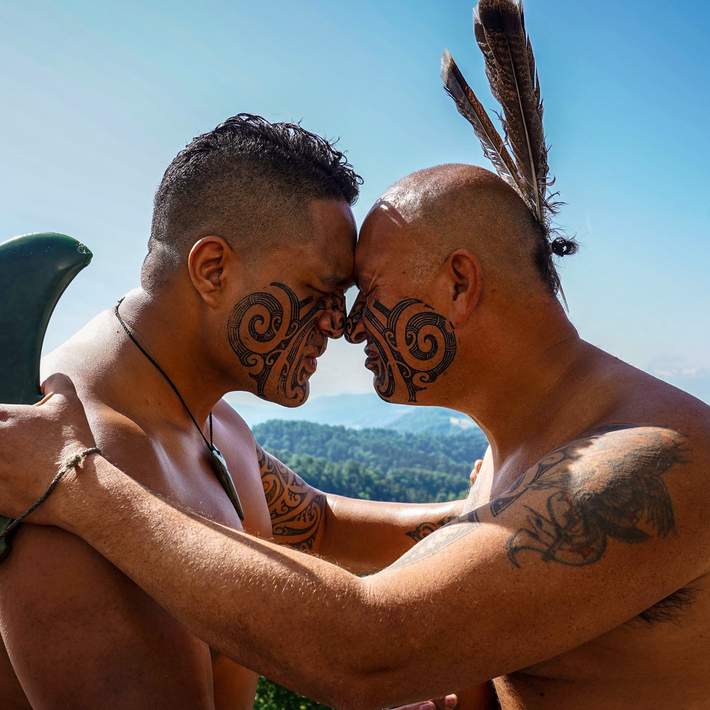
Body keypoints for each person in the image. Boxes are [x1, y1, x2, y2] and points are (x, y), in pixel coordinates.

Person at [2, 162, 709, 709]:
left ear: (459, 285)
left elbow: (372, 647)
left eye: (366, 292)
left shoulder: (649, 461)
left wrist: (75, 480)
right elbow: (324, 521)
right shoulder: (502, 471)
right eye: (330, 293)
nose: (348, 324)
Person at [0, 116, 477, 709]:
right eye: (321, 292)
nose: (344, 326)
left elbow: (319, 522)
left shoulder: (212, 422)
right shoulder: (72, 465)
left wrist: (499, 521)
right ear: (212, 269)